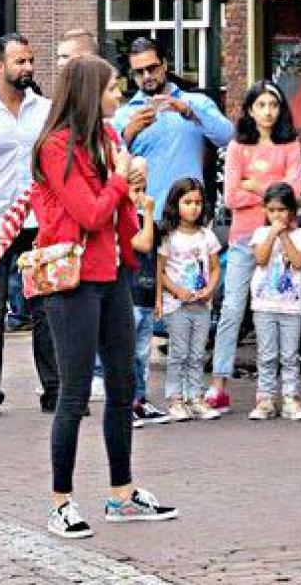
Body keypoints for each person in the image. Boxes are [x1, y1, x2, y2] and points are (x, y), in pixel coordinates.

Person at [31, 55, 177, 538]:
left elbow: (117, 215)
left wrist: (132, 187)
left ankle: (122, 493)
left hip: (112, 273)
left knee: (122, 385)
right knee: (74, 392)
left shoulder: (110, 137)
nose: (120, 95)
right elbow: (90, 213)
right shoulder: (56, 147)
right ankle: (60, 502)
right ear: (90, 93)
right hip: (74, 280)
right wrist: (119, 178)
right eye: (113, 88)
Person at [0, 33, 59, 418]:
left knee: (46, 311)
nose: (28, 67)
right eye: (20, 61)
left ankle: (55, 391)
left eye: (30, 60)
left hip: (38, 223)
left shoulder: (48, 110)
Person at [209, 80, 301, 413]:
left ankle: (283, 390)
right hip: (244, 239)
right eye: (261, 105)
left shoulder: (289, 144)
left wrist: (253, 184)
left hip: (282, 239)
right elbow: (231, 196)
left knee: (281, 310)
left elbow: (293, 195)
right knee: (232, 309)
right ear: (250, 109)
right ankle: (218, 383)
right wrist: (273, 191)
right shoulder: (238, 146)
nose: (268, 112)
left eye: (273, 105)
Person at [111, 37, 233, 223]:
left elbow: (228, 136)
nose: (146, 76)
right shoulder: (123, 115)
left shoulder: (196, 102)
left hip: (189, 215)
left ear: (164, 65)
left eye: (152, 68)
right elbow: (109, 163)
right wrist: (128, 133)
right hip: (145, 217)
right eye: (139, 72)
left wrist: (189, 112)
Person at [157, 178, 222, 422]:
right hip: (177, 306)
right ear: (175, 204)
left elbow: (215, 268)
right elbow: (160, 271)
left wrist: (209, 289)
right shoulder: (169, 237)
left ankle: (195, 397)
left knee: (197, 353)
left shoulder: (207, 236)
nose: (194, 207)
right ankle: (175, 399)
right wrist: (175, 291)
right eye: (187, 202)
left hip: (201, 305)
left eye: (197, 202)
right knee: (178, 352)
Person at [247, 182, 301, 421]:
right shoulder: (260, 234)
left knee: (290, 355)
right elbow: (261, 259)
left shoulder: (300, 235)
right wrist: (272, 233)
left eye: (282, 210)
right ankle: (265, 398)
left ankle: (291, 398)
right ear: (265, 211)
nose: (276, 215)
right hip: (264, 304)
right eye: (272, 210)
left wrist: (284, 235)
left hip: (291, 306)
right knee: (266, 354)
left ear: (291, 211)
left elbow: (298, 262)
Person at [128, 182, 169, 427]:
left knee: (142, 356)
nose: (141, 196)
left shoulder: (148, 223)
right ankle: (127, 404)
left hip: (146, 296)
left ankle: (140, 400)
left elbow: (156, 263)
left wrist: (158, 298)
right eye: (135, 189)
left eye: (143, 189)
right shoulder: (123, 221)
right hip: (129, 298)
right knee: (128, 354)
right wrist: (150, 213)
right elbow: (142, 244)